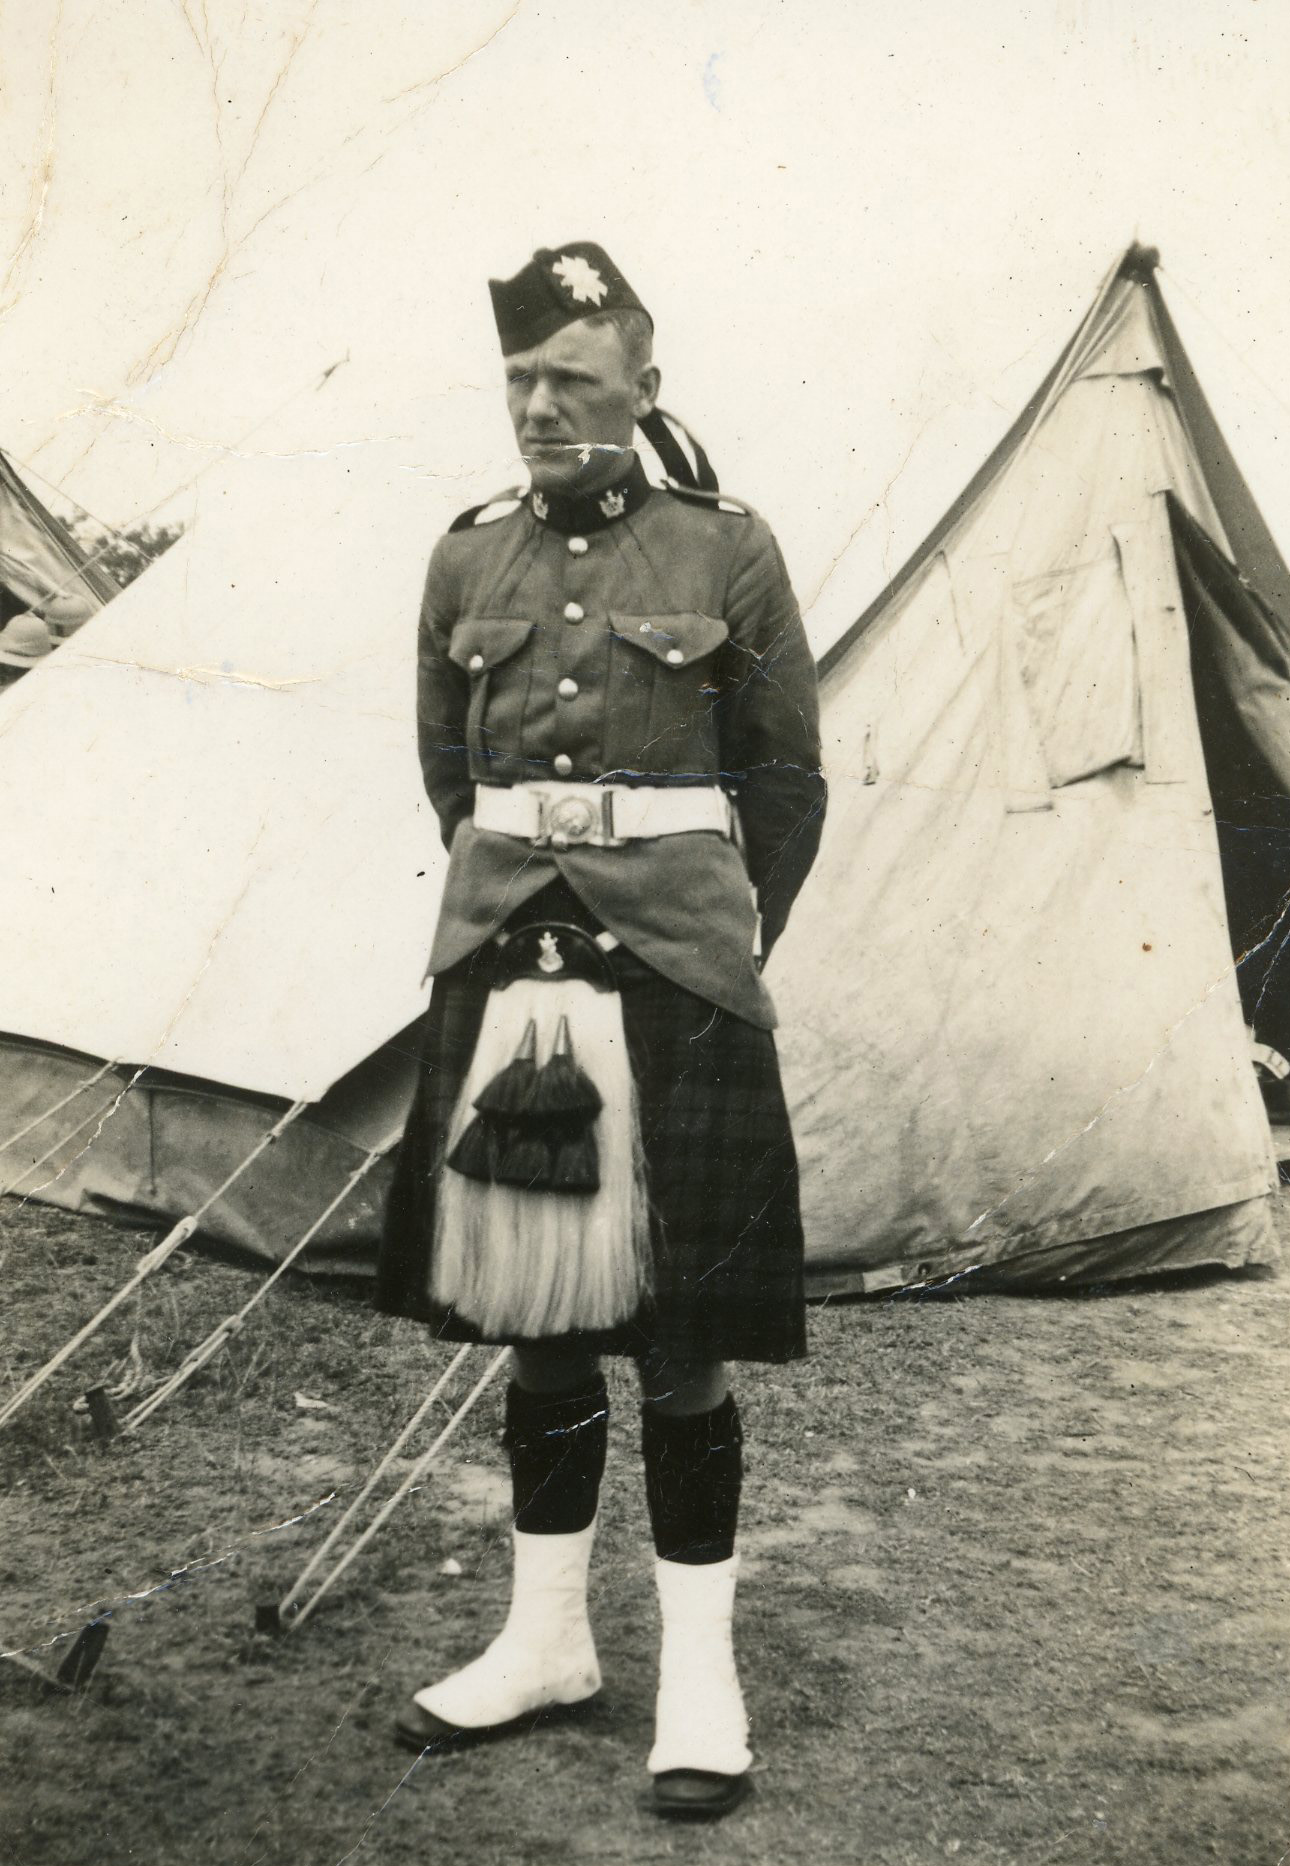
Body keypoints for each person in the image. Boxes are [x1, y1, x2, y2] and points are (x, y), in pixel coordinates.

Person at [378, 240, 826, 1822]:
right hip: (511, 956)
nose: (539, 408)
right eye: (519, 380)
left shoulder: (730, 549)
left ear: (643, 386)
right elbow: (451, 769)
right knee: (536, 1315)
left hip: (677, 976)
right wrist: (535, 891)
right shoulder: (464, 559)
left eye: (571, 379)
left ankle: (700, 1675)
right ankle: (546, 1639)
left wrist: (698, 922)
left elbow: (785, 780)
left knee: (683, 1338)